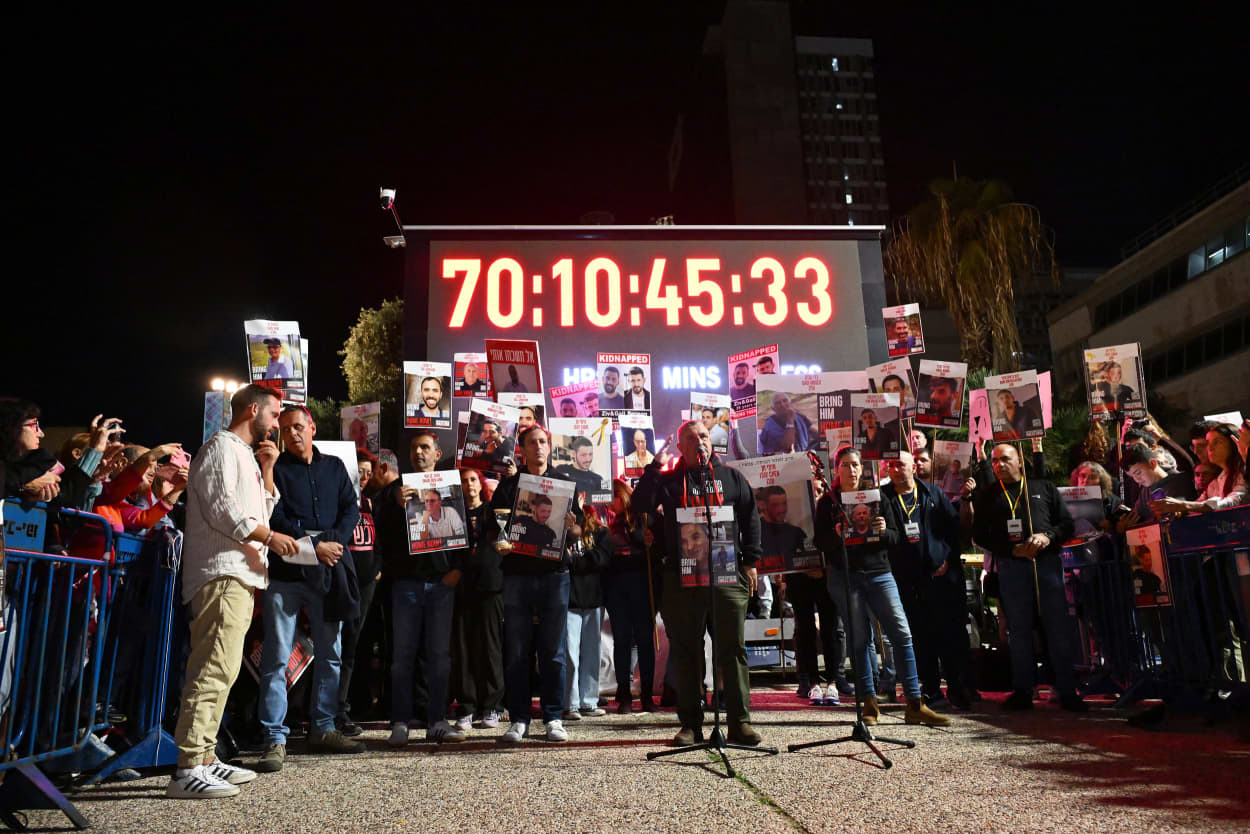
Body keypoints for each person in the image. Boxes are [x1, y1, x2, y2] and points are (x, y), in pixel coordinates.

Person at [167, 384, 295, 799]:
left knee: (225, 670)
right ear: (253, 409)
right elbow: (226, 511)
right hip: (221, 573)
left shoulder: (244, 454)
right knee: (212, 669)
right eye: (274, 415)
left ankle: (204, 757)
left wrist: (269, 470)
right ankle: (187, 766)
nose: (276, 424)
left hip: (240, 574)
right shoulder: (221, 447)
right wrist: (272, 538)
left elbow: (258, 509)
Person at [632, 420, 765, 747]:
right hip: (681, 577)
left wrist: (750, 562)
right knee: (686, 651)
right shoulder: (669, 482)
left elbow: (750, 518)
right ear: (681, 447)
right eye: (691, 439)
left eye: (703, 436)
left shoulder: (732, 478)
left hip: (727, 575)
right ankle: (691, 724)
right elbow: (639, 506)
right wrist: (653, 468)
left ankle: (739, 723)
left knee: (732, 650)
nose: (699, 443)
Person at [255, 406, 364, 774]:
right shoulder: (276, 470)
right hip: (287, 576)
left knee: (330, 653)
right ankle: (274, 737)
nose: (292, 434)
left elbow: (351, 508)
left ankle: (324, 729)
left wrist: (330, 542)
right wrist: (312, 546)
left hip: (328, 573)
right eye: (285, 429)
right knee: (276, 658)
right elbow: (274, 515)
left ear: (312, 427)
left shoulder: (334, 467)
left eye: (298, 427)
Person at [814, 447, 950, 726]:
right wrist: (837, 535)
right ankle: (869, 703)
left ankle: (914, 702)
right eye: (845, 465)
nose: (850, 470)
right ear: (836, 469)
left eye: (855, 465)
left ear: (861, 468)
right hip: (846, 577)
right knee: (860, 640)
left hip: (879, 573)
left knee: (902, 634)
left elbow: (896, 537)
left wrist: (882, 529)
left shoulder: (878, 497)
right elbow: (820, 544)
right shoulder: (828, 503)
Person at [479, 424, 582, 743]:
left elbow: (577, 533)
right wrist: (500, 543)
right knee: (518, 650)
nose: (539, 446)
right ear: (521, 449)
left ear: (549, 447)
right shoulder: (509, 486)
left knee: (553, 650)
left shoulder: (565, 484)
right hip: (518, 574)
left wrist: (573, 527)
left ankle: (553, 717)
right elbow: (492, 532)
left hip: (555, 575)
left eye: (543, 442)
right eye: (532, 442)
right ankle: (519, 718)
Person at [963, 443, 1084, 711]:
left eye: (1005, 459)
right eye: (994, 461)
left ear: (1020, 462)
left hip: (1046, 564)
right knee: (1018, 631)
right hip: (1011, 567)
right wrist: (1010, 549)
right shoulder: (988, 495)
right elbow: (980, 535)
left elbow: (1066, 524)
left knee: (1057, 628)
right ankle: (1022, 690)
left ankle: (1066, 689)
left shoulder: (1043, 488)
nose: (999, 465)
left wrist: (1047, 536)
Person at [377, 429, 466, 746]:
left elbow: (464, 532)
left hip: (441, 583)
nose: (419, 453)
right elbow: (382, 532)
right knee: (403, 655)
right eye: (414, 448)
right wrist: (392, 502)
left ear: (437, 454)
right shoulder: (395, 491)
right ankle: (400, 720)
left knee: (439, 655)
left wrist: (457, 569)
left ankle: (437, 719)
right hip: (406, 583)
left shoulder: (451, 489)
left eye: (425, 447)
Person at [881, 451, 971, 709]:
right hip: (907, 580)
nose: (897, 469)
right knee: (920, 637)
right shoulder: (884, 498)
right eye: (892, 465)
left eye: (902, 464)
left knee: (949, 636)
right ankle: (931, 688)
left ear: (914, 466)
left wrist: (949, 560)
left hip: (941, 577)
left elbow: (953, 530)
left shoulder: (932, 493)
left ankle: (957, 687)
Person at [451, 468, 504, 730]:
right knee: (463, 649)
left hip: (490, 587)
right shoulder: (452, 512)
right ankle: (467, 707)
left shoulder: (493, 513)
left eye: (473, 479)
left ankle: (491, 706)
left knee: (490, 648)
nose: (469, 484)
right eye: (463, 480)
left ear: (480, 484)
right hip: (461, 588)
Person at [602, 480, 658, 713]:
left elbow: (653, 545)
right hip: (616, 587)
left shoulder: (643, 517)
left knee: (645, 641)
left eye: (612, 497)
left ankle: (646, 695)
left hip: (641, 585)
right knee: (622, 641)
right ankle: (624, 693)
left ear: (622, 495)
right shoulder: (606, 521)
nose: (608, 503)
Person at [336, 449, 381, 737]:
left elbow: (382, 538)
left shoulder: (371, 502)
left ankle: (343, 707)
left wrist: (378, 569)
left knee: (353, 645)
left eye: (367, 472)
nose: (363, 477)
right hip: (341, 580)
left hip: (367, 583)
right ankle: (329, 709)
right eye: (358, 471)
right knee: (334, 646)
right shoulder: (338, 500)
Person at [564, 504, 611, 720]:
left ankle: (588, 701)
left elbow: (602, 559)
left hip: (594, 598)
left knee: (592, 652)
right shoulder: (562, 533)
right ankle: (571, 702)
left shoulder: (601, 533)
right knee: (570, 653)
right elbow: (562, 560)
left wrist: (576, 561)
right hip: (570, 600)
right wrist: (579, 561)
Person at [1151, 423, 1247, 514]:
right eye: (1209, 443)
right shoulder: (1215, 481)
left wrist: (1185, 505)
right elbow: (1199, 504)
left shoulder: (1244, 472)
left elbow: (1234, 502)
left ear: (1235, 443)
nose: (1210, 448)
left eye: (1218, 442)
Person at [552, 436, 605, 502]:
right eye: (584, 455)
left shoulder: (598, 479)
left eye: (590, 454)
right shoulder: (561, 470)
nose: (588, 459)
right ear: (574, 454)